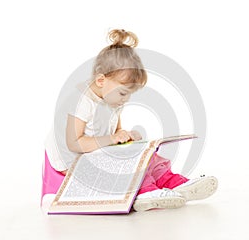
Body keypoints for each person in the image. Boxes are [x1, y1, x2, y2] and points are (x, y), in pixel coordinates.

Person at [44, 29, 218, 212]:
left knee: (144, 155)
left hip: (95, 152)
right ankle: (144, 191)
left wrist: (125, 137)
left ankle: (171, 182)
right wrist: (112, 141)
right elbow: (75, 143)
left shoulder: (111, 98)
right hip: (73, 161)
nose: (125, 99)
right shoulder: (80, 102)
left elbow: (115, 133)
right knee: (125, 162)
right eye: (123, 93)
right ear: (101, 80)